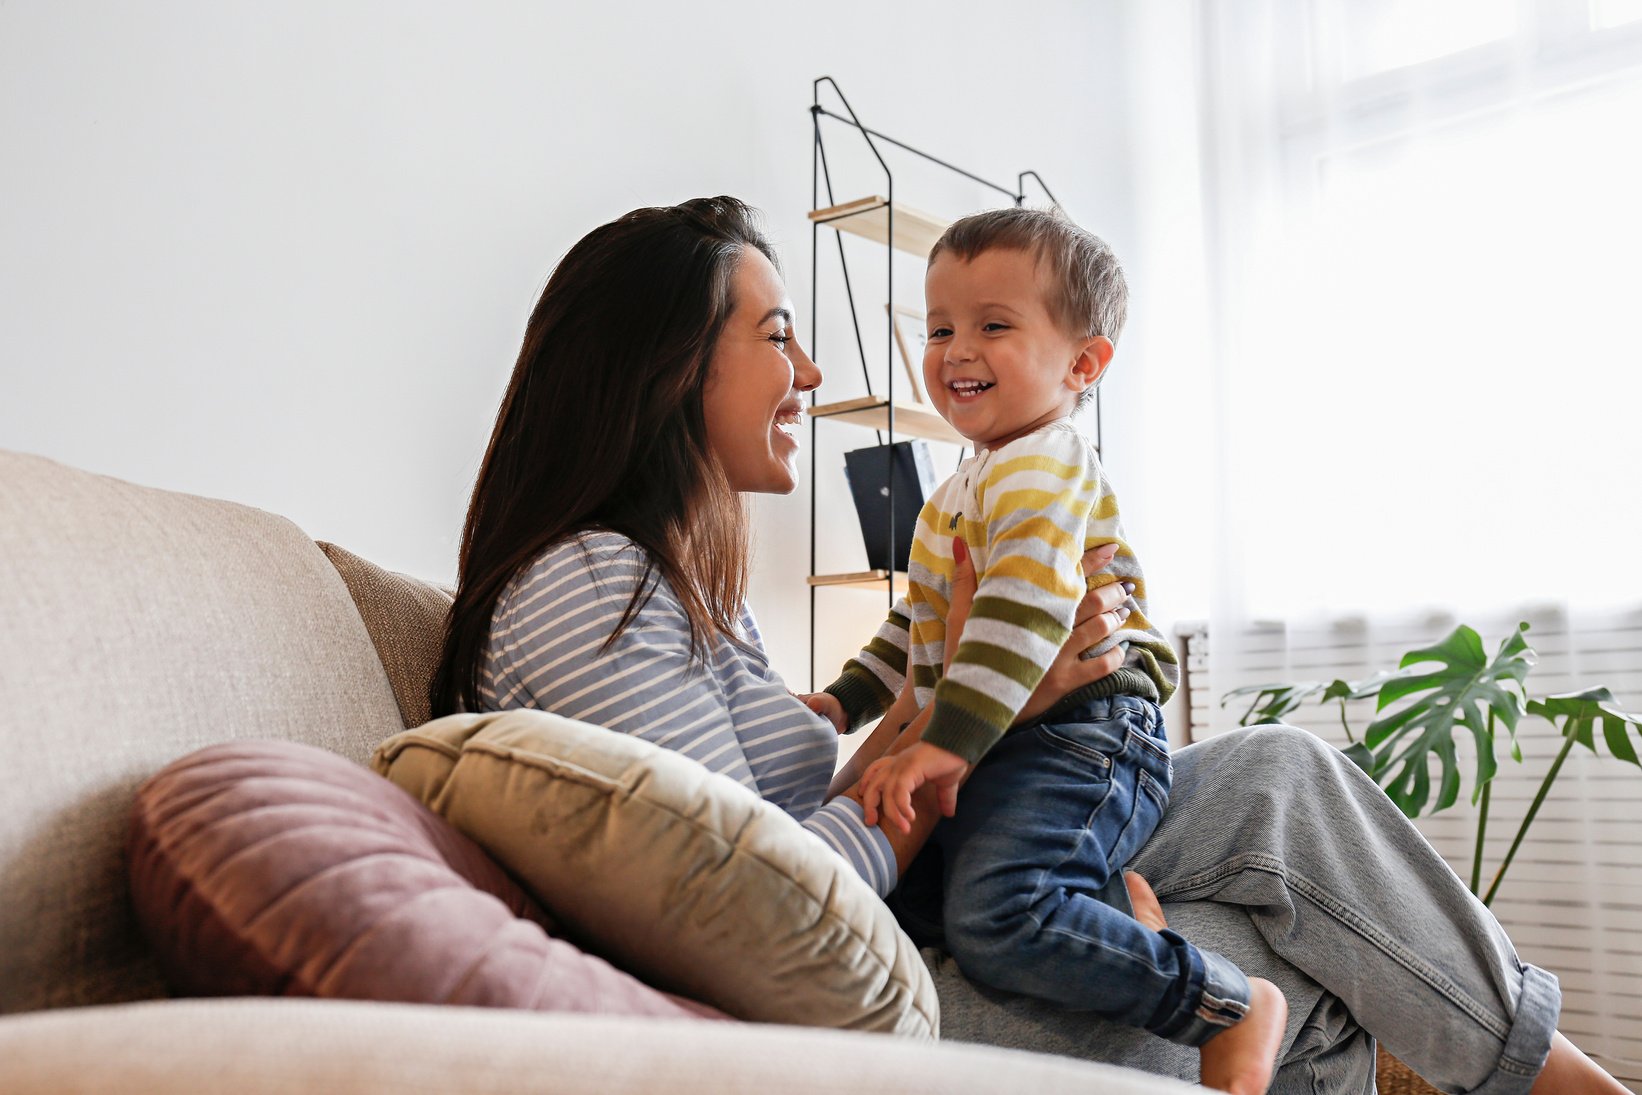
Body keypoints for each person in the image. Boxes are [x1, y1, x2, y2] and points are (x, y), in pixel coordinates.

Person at [430, 196, 1631, 1095]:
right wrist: (992, 708)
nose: (808, 372)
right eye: (778, 337)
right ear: (665, 365)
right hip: (840, 995)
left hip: (908, 896)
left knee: (1280, 774)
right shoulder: (589, 587)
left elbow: (793, 805)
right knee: (1286, 963)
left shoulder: (686, 588)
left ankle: (1559, 1073)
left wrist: (949, 710)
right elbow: (758, 906)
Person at [806, 207, 1283, 1094]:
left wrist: (943, 745)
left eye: (993, 325)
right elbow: (919, 628)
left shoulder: (1042, 464)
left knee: (997, 914)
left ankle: (1224, 1001)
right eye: (940, 326)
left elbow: (1022, 613)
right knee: (913, 912)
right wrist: (842, 700)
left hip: (1085, 734)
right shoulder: (959, 487)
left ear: (1083, 363)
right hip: (1013, 737)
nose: (955, 349)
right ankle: (1115, 918)